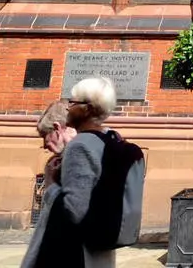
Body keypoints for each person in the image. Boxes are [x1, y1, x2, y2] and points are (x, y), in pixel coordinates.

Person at [57, 76, 146, 268]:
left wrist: (50, 185)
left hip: (78, 251)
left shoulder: (79, 145)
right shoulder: (112, 140)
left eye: (72, 102)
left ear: (86, 109)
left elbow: (73, 210)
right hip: (104, 245)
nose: (67, 107)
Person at [22, 100, 75, 268]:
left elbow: (68, 211)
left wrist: (51, 183)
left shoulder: (78, 158)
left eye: (46, 137)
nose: (45, 145)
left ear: (58, 129)